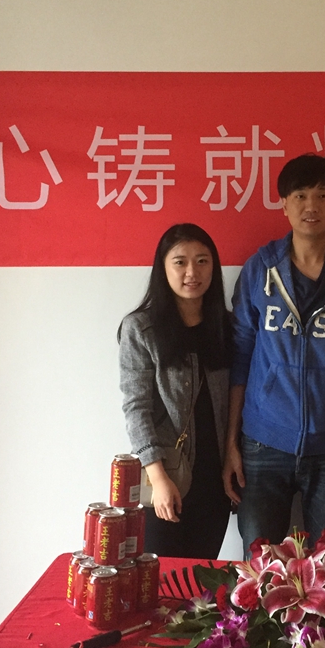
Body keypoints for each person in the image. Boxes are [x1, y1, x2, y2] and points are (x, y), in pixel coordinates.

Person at [222, 153, 325, 552]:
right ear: (284, 204)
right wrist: (231, 444)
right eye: (300, 195)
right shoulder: (260, 270)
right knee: (260, 570)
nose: (311, 206)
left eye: (323, 195)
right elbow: (241, 360)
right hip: (262, 445)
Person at [117, 223, 233, 558]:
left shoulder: (226, 326)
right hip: (167, 476)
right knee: (161, 575)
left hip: (215, 481)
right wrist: (158, 478)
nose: (192, 272)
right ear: (163, 268)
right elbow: (136, 408)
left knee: (201, 577)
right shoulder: (141, 328)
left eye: (202, 261)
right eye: (180, 262)